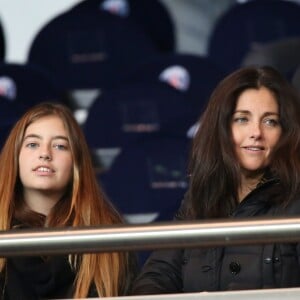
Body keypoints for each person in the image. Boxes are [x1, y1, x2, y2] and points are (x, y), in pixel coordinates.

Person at [131, 66, 300, 294]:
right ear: (222, 128)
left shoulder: (295, 202)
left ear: (286, 132)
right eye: (242, 119)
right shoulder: (199, 198)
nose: (256, 132)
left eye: (270, 121)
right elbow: (158, 275)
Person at [0, 102, 136, 299]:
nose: (45, 154)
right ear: (16, 156)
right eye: (32, 144)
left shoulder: (108, 234)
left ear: (76, 162)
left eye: (60, 146)